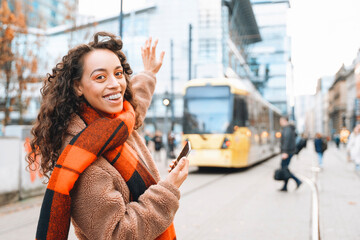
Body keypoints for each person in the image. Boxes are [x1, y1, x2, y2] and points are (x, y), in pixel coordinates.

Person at [27, 32, 189, 240]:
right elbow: (116, 234)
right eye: (100, 77)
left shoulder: (117, 123)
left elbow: (138, 99)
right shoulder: (84, 161)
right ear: (78, 86)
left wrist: (149, 72)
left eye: (118, 73)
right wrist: (168, 188)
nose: (115, 84)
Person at [278, 116, 302, 192]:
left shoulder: (287, 129)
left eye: (280, 121)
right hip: (289, 151)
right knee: (285, 169)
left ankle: (297, 181)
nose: (280, 122)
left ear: (284, 120)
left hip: (287, 152)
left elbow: (287, 141)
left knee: (284, 169)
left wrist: (285, 152)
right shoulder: (288, 128)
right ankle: (285, 186)